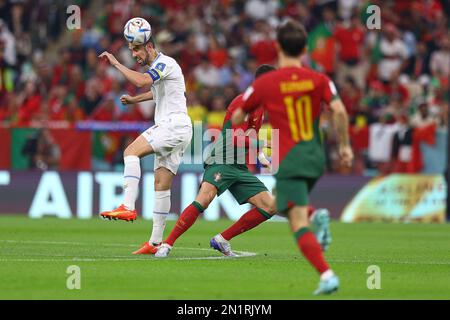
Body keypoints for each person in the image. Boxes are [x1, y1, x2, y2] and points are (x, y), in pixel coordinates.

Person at [151, 64, 333, 257]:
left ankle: (222, 239)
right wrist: (265, 143)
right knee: (204, 199)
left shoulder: (261, 108)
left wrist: (262, 156)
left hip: (239, 165)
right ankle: (167, 244)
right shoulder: (243, 102)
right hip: (223, 159)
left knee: (269, 206)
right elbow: (235, 137)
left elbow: (250, 138)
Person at [230, 20, 353, 295]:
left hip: (290, 158)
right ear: (305, 49)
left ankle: (327, 274)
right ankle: (314, 214)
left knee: (294, 219)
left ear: (277, 47)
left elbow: (238, 113)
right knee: (281, 205)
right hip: (315, 157)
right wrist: (344, 146)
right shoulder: (320, 79)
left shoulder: (266, 83)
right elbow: (341, 112)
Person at [98, 18, 193, 250]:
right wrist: (134, 100)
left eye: (137, 49)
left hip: (173, 125)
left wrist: (116, 64)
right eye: (132, 50)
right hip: (181, 129)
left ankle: (128, 205)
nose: (135, 54)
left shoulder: (165, 63)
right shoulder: (161, 70)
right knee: (161, 184)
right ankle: (155, 242)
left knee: (130, 152)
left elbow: (141, 81)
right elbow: (154, 91)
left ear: (149, 46)